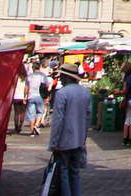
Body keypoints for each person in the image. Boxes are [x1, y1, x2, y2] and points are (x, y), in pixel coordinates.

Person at [48, 64, 90, 196]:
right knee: (75, 173)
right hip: (79, 139)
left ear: (67, 77)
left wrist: (53, 143)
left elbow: (58, 121)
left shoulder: (62, 93)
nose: (60, 79)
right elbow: (87, 118)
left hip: (64, 141)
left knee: (64, 173)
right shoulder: (85, 92)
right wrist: (83, 138)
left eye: (61, 76)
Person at [25, 60, 49, 137]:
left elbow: (26, 87)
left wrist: (24, 96)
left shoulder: (29, 76)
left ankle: (32, 131)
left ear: (32, 68)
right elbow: (46, 86)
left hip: (31, 96)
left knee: (31, 113)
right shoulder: (43, 76)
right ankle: (37, 124)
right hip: (40, 96)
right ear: (39, 67)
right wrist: (46, 96)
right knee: (40, 112)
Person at [11, 63, 28, 134]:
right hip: (23, 97)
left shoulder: (15, 77)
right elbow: (26, 88)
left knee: (16, 112)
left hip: (15, 96)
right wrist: (25, 96)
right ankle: (20, 126)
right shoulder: (26, 78)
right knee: (23, 112)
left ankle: (16, 127)